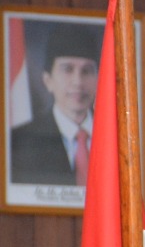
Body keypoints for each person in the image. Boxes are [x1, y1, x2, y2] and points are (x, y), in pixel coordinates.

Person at [9, 22, 100, 187]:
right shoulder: (19, 142)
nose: (78, 82)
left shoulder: (118, 138)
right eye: (67, 69)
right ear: (48, 80)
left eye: (86, 71)